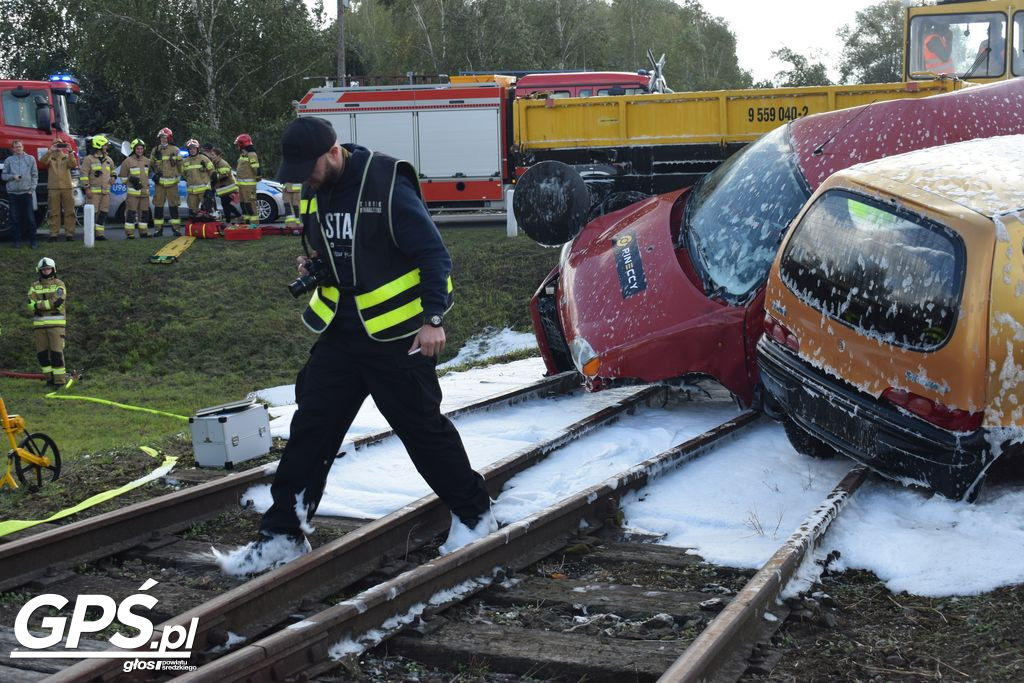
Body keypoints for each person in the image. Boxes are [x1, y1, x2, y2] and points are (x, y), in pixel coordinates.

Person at [216, 117, 495, 576]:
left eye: (309, 167)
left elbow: (434, 255)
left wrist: (433, 319)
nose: (304, 177)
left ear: (332, 152)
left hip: (397, 339)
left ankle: (475, 515)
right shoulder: (315, 186)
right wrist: (315, 261)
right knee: (312, 428)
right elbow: (344, 248)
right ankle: (283, 532)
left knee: (423, 433)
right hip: (342, 335)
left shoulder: (385, 183)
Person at [27, 257, 67, 386]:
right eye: (43, 269)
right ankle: (49, 380)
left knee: (56, 355)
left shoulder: (59, 284)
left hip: (56, 326)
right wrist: (45, 305)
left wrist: (38, 306)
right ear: (39, 270)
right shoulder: (34, 286)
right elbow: (29, 303)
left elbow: (57, 302)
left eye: (48, 268)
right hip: (39, 326)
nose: (46, 271)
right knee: (42, 356)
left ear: (53, 269)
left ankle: (60, 382)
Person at [39, 138, 78, 242]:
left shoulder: (66, 156)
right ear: (52, 145)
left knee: (70, 211)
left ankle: (69, 234)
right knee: (54, 212)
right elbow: (42, 162)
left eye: (60, 145)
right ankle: (53, 234)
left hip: (67, 187)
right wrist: (50, 151)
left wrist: (70, 152)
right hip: (53, 187)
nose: (58, 147)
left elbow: (73, 164)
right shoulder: (49, 157)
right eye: (56, 145)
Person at [2, 139, 39, 248]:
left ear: (23, 147)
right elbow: (3, 176)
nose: (18, 149)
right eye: (15, 147)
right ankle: (17, 242)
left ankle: (33, 241)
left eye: (19, 146)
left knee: (30, 218)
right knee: (14, 218)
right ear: (12, 149)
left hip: (26, 192)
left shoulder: (30, 159)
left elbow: (35, 175)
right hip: (13, 193)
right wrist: (12, 177)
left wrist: (31, 190)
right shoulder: (9, 160)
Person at [80, 135, 116, 240]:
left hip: (106, 192)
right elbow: (83, 174)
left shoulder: (108, 159)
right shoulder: (89, 159)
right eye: (105, 145)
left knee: (103, 213)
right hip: (93, 192)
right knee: (92, 213)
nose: (106, 147)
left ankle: (100, 234)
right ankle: (89, 235)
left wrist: (113, 177)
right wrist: (87, 188)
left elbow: (113, 170)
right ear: (99, 145)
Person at [150, 127, 183, 236]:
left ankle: (176, 230)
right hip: (160, 184)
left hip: (172, 184)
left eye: (164, 137)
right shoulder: (155, 150)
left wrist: (178, 176)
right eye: (161, 138)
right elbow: (151, 164)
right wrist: (155, 172)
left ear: (169, 138)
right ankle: (158, 230)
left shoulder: (175, 150)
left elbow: (180, 166)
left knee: (173, 206)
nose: (162, 139)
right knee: (158, 206)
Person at [120, 138, 151, 239]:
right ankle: (130, 233)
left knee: (144, 213)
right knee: (131, 213)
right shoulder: (127, 161)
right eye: (137, 149)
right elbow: (123, 178)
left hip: (144, 193)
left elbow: (148, 175)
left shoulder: (147, 161)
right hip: (133, 194)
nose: (140, 150)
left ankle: (143, 232)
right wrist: (131, 181)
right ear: (134, 149)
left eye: (141, 149)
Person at [207, 147, 241, 223]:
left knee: (226, 204)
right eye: (211, 155)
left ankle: (236, 217)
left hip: (228, 188)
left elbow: (224, 175)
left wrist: (214, 177)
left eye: (213, 155)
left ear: (218, 156)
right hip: (224, 188)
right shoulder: (215, 163)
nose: (211, 156)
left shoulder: (222, 163)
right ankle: (229, 219)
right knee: (225, 204)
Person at [183, 139, 215, 219]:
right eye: (190, 149)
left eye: (194, 148)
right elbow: (184, 175)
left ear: (198, 149)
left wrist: (210, 185)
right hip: (192, 192)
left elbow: (212, 172)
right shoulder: (185, 161)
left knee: (208, 212)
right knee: (192, 213)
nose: (192, 150)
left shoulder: (204, 159)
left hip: (204, 191)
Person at [233, 133, 260, 227]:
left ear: (242, 144)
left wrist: (258, 176)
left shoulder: (251, 154)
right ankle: (247, 223)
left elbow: (256, 168)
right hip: (242, 186)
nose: (237, 147)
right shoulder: (243, 155)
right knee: (244, 204)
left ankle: (254, 225)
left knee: (250, 204)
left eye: (238, 145)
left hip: (249, 186)